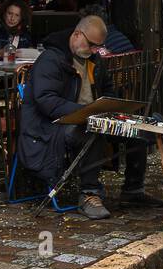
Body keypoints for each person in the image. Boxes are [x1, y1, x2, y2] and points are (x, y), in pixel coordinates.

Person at [18, 15, 155, 219]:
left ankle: (133, 190)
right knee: (91, 131)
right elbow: (47, 101)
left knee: (138, 130)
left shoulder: (93, 59)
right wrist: (86, 112)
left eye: (97, 47)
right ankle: (89, 193)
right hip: (51, 127)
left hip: (88, 116)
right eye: (91, 45)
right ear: (76, 34)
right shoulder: (51, 59)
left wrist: (113, 108)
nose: (93, 51)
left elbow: (107, 89)